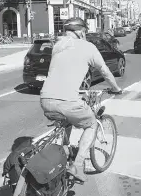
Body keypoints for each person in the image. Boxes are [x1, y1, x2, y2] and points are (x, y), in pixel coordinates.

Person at [40, 17, 122, 182]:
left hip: (45, 99)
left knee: (66, 122)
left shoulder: (57, 47)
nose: (85, 34)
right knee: (91, 124)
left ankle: (63, 156)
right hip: (67, 101)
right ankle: (77, 166)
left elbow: (60, 73)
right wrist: (116, 88)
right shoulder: (88, 47)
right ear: (80, 32)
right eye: (84, 31)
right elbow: (105, 72)